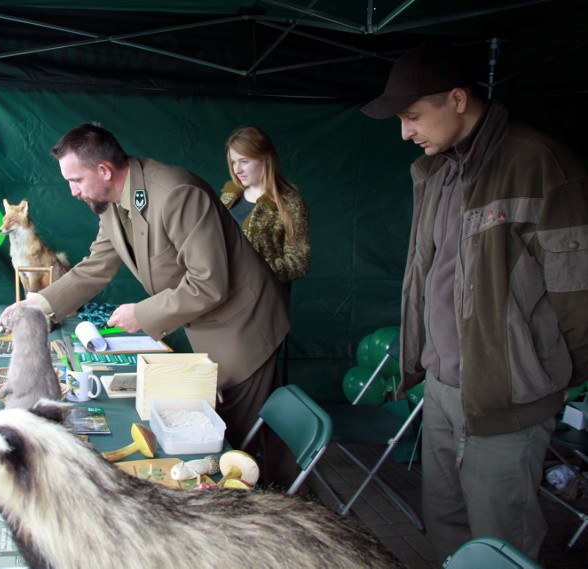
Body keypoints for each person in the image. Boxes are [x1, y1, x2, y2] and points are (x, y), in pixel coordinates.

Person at [361, 42, 588, 562]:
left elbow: (580, 297)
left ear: (458, 99)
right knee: (444, 518)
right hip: (441, 387)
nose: (405, 132)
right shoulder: (436, 171)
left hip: (507, 397)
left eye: (413, 116)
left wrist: (540, 376)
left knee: (499, 536)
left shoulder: (540, 165)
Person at [0, 123, 290, 447]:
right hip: (211, 326)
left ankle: (285, 495)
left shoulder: (176, 194)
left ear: (104, 170)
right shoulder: (110, 205)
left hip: (245, 324)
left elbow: (209, 283)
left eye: (76, 180)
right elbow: (95, 268)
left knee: (239, 440)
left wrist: (142, 313)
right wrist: (38, 303)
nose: (73, 191)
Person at [220, 125, 311, 284]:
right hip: (224, 292)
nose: (237, 170)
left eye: (244, 161)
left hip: (262, 296)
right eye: (234, 162)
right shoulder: (229, 195)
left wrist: (252, 268)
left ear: (265, 159)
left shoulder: (290, 204)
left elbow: (299, 262)